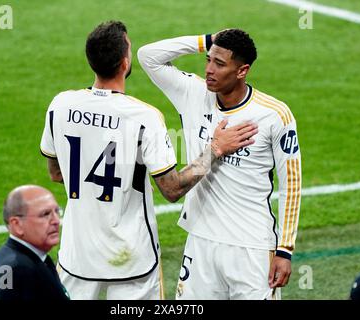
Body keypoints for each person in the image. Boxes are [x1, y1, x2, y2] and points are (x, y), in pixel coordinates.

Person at [40, 21, 258, 300]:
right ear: (124, 63)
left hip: (77, 253)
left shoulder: (61, 105)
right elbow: (172, 189)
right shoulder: (143, 116)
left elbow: (57, 173)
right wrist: (213, 150)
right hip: (132, 259)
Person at [138, 29, 302, 300]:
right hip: (200, 240)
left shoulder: (274, 115)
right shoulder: (193, 93)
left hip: (251, 247)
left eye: (220, 64)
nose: (209, 70)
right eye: (208, 60)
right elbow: (148, 56)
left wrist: (285, 250)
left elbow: (292, 185)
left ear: (242, 71)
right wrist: (207, 40)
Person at [0, 185, 69, 300]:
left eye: (57, 211)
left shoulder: (29, 258)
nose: (56, 221)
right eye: (45, 214)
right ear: (17, 224)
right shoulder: (18, 269)